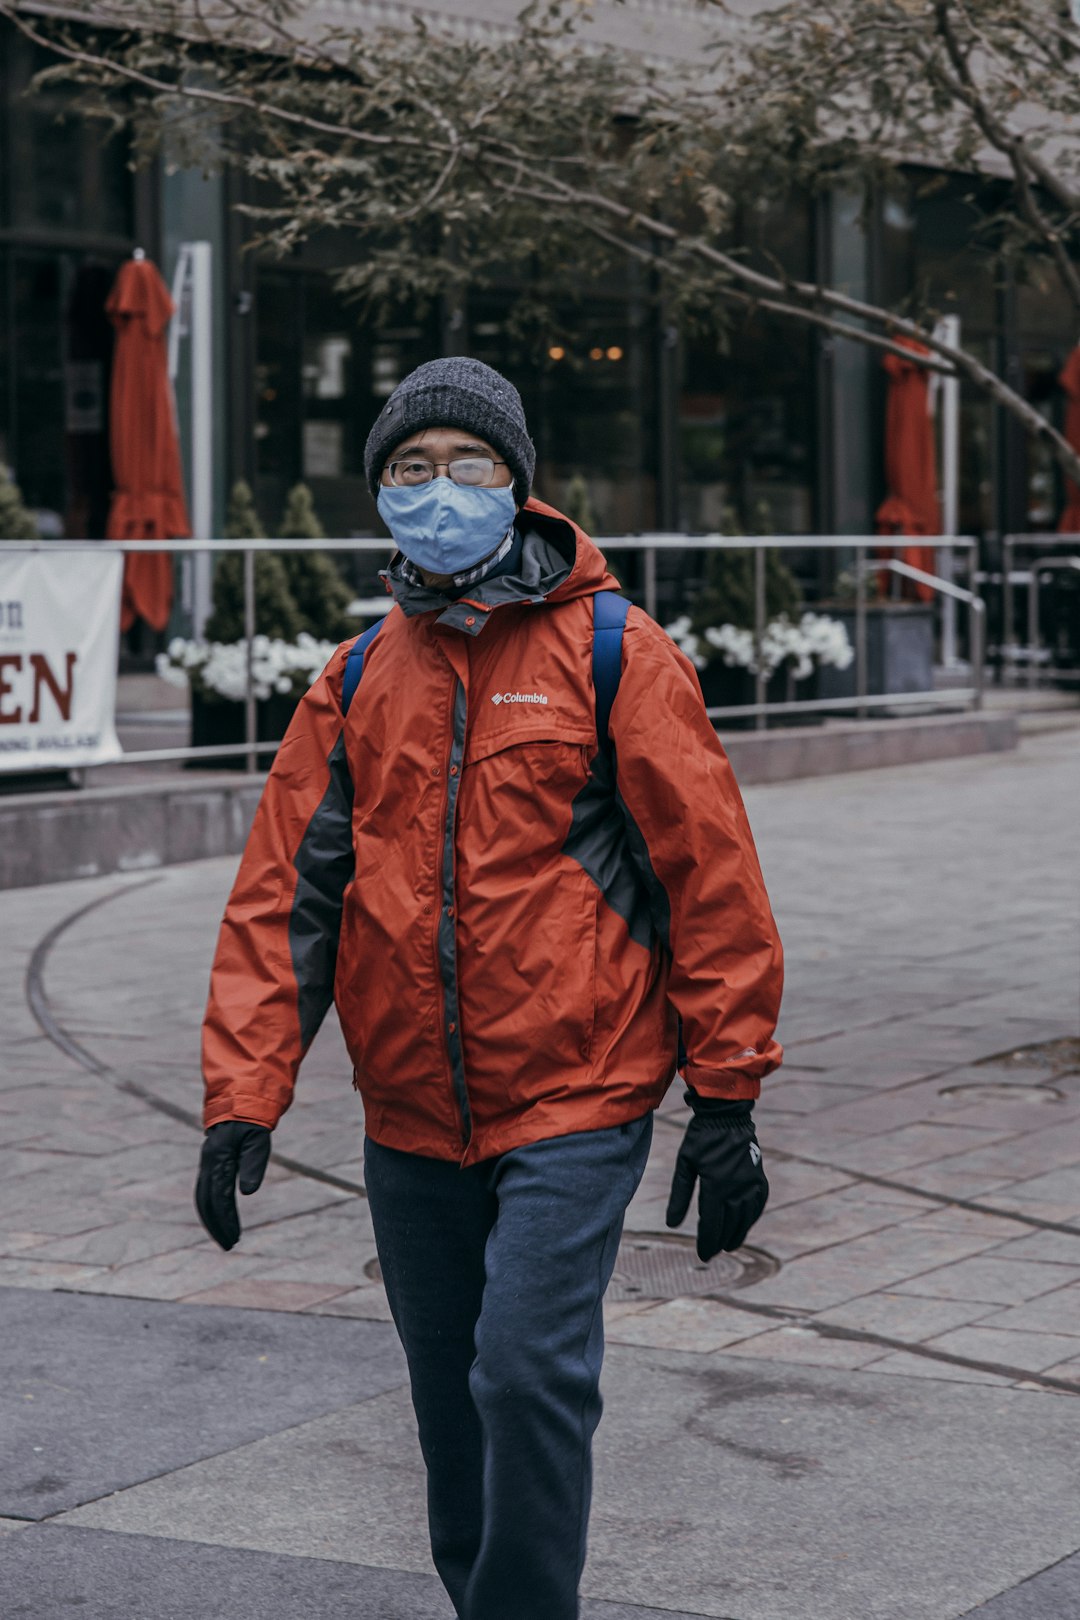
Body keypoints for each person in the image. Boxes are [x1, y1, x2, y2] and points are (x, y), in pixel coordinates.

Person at [195, 357, 783, 1620]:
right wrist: (244, 1093)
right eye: (411, 469)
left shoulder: (617, 650)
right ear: (380, 495)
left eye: (470, 466)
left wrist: (726, 1092)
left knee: (522, 1374)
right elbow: (281, 898)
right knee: (447, 1391)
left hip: (577, 1089)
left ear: (519, 487)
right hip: (408, 1112)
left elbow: (710, 873)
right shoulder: (355, 680)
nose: (440, 491)